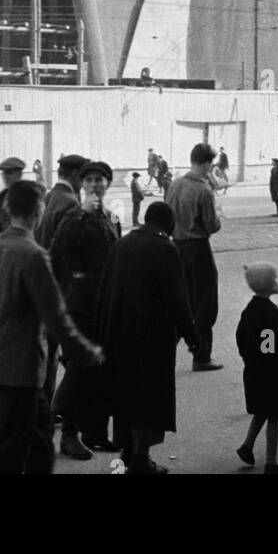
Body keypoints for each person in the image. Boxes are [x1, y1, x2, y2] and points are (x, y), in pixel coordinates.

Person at [0, 179, 103, 475]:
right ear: (39, 210)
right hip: (22, 368)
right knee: (8, 447)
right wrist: (87, 351)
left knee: (41, 439)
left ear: (7, 209)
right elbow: (56, 316)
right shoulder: (33, 255)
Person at [97, 201, 197, 474]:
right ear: (169, 224)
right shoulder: (166, 248)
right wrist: (192, 337)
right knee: (149, 395)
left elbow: (104, 288)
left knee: (126, 392)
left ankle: (127, 449)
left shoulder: (122, 244)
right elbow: (178, 299)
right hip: (151, 337)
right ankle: (141, 458)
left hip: (118, 334)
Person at [50, 159, 121, 456]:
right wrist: (83, 219)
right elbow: (58, 256)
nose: (94, 185)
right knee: (80, 365)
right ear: (81, 184)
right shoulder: (73, 217)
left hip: (105, 299)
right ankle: (67, 432)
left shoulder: (111, 217)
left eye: (99, 180)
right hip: (80, 298)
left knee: (100, 366)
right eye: (89, 180)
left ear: (107, 184)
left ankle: (94, 431)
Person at [235, 263, 278, 474]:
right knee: (273, 416)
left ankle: (247, 445)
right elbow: (269, 348)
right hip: (269, 375)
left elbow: (242, 340)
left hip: (255, 372)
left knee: (261, 412)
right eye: (275, 279)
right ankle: (272, 461)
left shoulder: (250, 311)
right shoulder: (268, 315)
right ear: (266, 285)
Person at [35, 152, 87, 411]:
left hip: (43, 282)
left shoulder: (49, 197)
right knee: (65, 353)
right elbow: (68, 250)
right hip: (61, 287)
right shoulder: (70, 203)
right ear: (76, 174)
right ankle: (49, 409)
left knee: (49, 351)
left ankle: (44, 406)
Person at [166, 141, 222, 371]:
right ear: (208, 164)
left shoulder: (174, 185)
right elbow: (211, 226)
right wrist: (217, 214)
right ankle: (201, 356)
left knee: (181, 302)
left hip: (176, 247)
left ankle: (164, 351)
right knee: (204, 305)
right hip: (198, 249)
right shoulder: (203, 190)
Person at [0, 156, 26, 237]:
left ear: (20, 174)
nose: (5, 177)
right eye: (4, 173)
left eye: (9, 173)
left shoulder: (26, 196)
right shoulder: (2, 196)